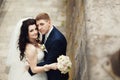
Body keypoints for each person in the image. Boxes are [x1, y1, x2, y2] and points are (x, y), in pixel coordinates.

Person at [28, 13, 69, 80]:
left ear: (49, 22)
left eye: (42, 24)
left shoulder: (57, 40)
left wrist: (32, 68)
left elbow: (49, 62)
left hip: (56, 76)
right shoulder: (46, 32)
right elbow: (45, 47)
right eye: (37, 25)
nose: (39, 28)